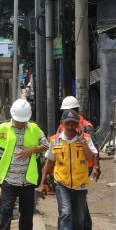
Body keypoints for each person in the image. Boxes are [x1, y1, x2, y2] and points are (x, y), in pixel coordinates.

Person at [0, 99, 49, 230]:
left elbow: (46, 145)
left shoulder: (35, 128)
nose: (20, 123)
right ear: (12, 116)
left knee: (27, 214)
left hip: (27, 179)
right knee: (6, 211)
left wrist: (31, 150)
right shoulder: (2, 128)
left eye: (23, 121)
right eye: (18, 121)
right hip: (8, 178)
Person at [38, 109, 97, 230]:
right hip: (62, 184)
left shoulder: (86, 138)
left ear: (77, 124)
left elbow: (91, 158)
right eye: (67, 123)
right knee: (65, 213)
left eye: (73, 123)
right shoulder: (55, 140)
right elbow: (49, 162)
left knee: (79, 220)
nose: (70, 126)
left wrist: (82, 141)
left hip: (80, 185)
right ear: (62, 123)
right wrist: (42, 183)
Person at [56, 96, 101, 230]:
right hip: (66, 170)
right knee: (68, 208)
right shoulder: (63, 125)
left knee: (78, 203)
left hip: (83, 168)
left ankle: (84, 226)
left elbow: (95, 148)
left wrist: (96, 167)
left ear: (77, 110)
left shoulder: (86, 127)